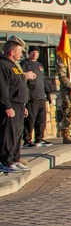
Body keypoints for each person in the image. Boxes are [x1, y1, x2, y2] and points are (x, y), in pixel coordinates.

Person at [0, 36, 31, 174]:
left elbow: (19, 84)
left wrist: (23, 105)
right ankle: (6, 161)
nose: (21, 54)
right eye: (19, 52)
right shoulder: (3, 65)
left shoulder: (14, 66)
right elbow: (2, 88)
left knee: (17, 134)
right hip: (10, 105)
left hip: (18, 104)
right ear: (12, 52)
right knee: (8, 134)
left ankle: (14, 159)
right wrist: (7, 106)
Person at [20, 46, 51, 148]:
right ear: (28, 53)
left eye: (37, 52)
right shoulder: (24, 64)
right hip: (32, 96)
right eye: (33, 52)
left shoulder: (40, 65)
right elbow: (22, 81)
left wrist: (48, 92)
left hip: (41, 96)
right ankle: (27, 140)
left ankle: (39, 138)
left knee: (41, 119)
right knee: (30, 119)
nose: (35, 54)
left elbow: (44, 80)